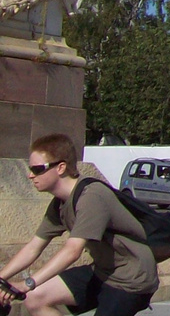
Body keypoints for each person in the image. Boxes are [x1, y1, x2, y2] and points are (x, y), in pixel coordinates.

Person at [0, 133, 158, 316]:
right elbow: (33, 247)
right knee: (36, 298)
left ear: (60, 168)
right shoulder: (60, 203)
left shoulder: (92, 196)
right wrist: (2, 278)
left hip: (133, 280)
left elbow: (72, 251)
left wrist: (27, 284)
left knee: (32, 290)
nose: (30, 175)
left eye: (37, 169)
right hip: (102, 272)